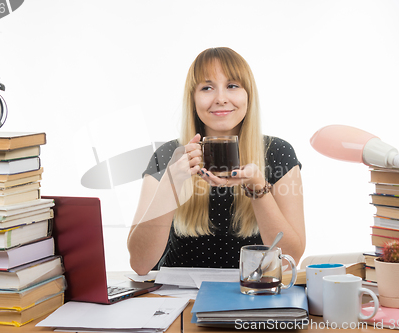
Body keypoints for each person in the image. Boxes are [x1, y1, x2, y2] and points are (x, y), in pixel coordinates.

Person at [127, 47, 305, 275]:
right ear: (193, 98)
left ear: (248, 94)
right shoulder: (169, 155)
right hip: (179, 298)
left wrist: (257, 187)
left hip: (252, 293)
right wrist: (171, 182)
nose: (220, 99)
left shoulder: (277, 152)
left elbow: (290, 260)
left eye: (232, 85)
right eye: (207, 87)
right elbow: (140, 264)